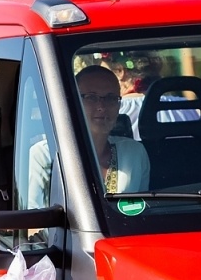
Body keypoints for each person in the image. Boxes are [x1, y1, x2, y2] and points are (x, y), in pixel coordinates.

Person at [28, 65, 148, 208]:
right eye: (91, 97)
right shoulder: (45, 155)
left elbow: (142, 212)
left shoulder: (134, 152)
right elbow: (34, 223)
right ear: (73, 103)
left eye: (110, 98)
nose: (101, 106)